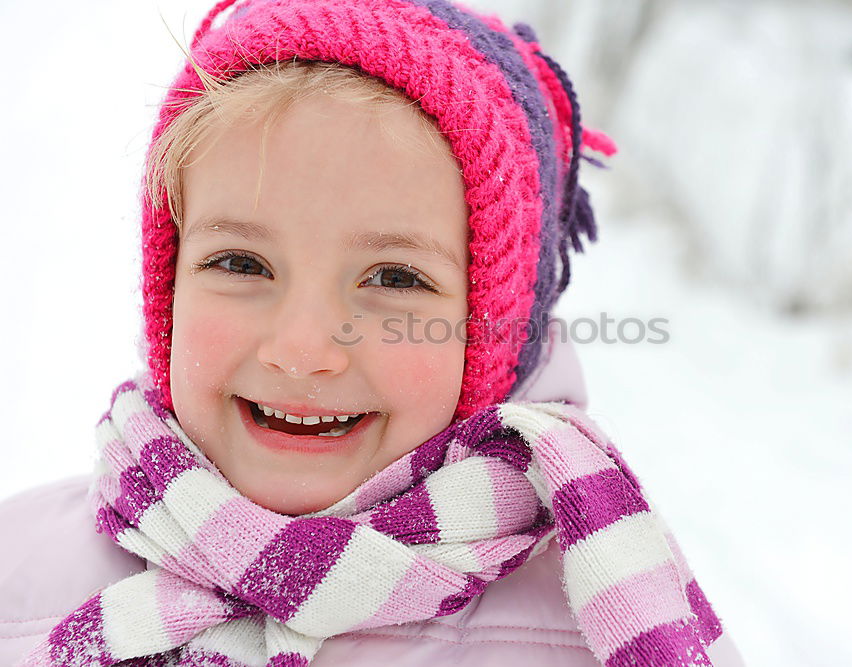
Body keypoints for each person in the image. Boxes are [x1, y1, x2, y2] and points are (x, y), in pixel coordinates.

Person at [0, 0, 745, 664]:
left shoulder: (601, 615)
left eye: (393, 279)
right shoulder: (22, 571)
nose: (301, 350)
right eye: (241, 262)